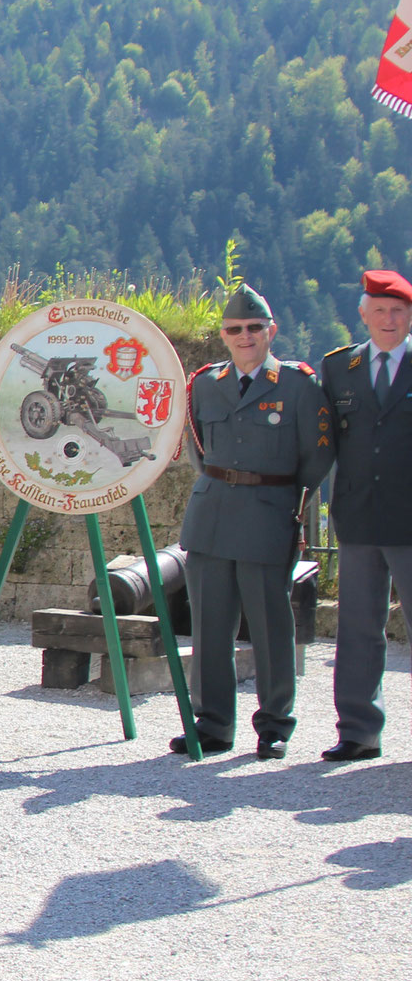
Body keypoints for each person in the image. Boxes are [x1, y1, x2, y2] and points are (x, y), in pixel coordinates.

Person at [169, 286, 333, 759]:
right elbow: (200, 451)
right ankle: (213, 724)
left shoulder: (299, 385)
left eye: (254, 328)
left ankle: (275, 725)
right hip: (212, 513)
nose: (245, 336)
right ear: (223, 335)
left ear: (271, 331)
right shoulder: (204, 383)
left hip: (267, 513)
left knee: (269, 626)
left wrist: (279, 496)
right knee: (210, 626)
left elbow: (317, 457)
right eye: (235, 329)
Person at [319, 270, 412, 762]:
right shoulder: (340, 369)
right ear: (363, 314)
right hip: (357, 516)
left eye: (398, 310)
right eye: (380, 310)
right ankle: (358, 731)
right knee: (357, 629)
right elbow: (322, 440)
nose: (389, 319)